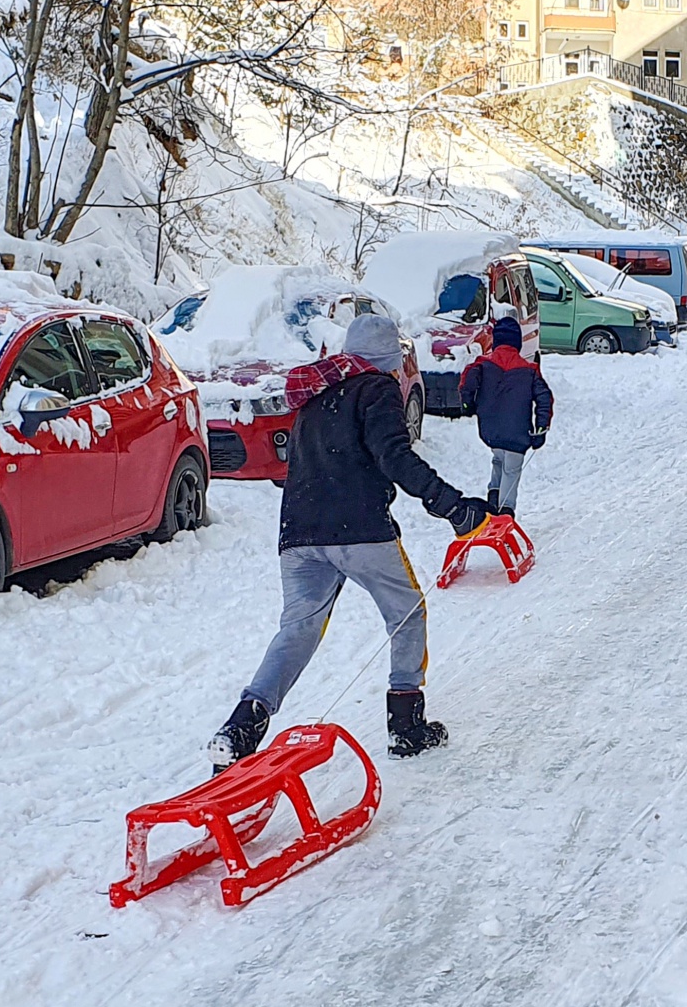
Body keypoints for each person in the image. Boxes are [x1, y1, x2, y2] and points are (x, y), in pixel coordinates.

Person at [208, 314, 491, 774]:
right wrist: (451, 505)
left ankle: (242, 726)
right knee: (407, 613)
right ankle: (406, 724)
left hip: (298, 533)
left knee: (297, 631)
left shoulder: (316, 393)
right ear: (385, 359)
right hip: (358, 529)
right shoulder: (376, 388)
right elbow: (394, 455)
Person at [458, 316, 554, 518]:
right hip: (517, 434)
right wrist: (541, 428)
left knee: (498, 459)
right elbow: (545, 398)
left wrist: (469, 405)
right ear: (517, 343)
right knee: (511, 470)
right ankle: (505, 513)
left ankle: (492, 501)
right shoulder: (529, 370)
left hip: (490, 430)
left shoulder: (483, 364)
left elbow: (467, 381)